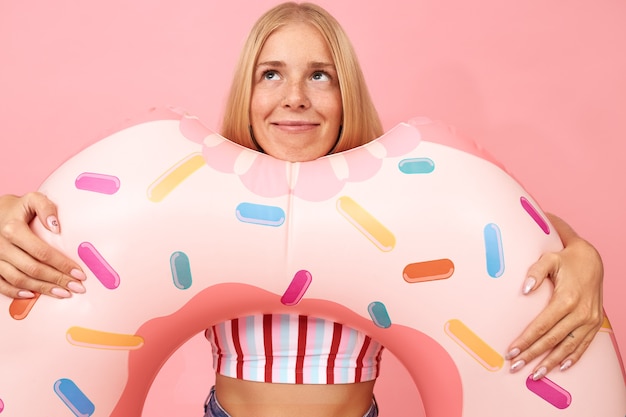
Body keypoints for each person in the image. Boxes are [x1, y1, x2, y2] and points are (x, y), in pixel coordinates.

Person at [0, 2, 605, 416]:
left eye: (320, 76)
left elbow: (514, 229)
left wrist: (582, 252)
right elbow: (62, 219)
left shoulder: (401, 198)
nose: (295, 97)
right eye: (272, 74)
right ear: (249, 90)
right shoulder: (192, 196)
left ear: (346, 94)